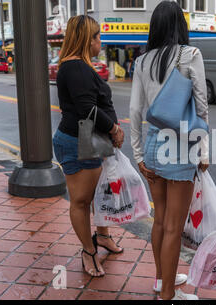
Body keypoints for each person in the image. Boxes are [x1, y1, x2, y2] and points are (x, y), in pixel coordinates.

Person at [129, 1, 209, 300]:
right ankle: (168, 298)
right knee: (175, 226)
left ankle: (162, 279)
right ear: (180, 25)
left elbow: (135, 110)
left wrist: (138, 154)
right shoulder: (191, 55)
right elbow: (201, 104)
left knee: (160, 220)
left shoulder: (142, 60)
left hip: (152, 146)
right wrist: (203, 150)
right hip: (180, 148)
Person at [53, 15, 125, 277]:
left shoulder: (80, 67)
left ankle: (103, 236)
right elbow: (87, 109)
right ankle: (88, 250)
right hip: (77, 141)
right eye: (97, 37)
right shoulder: (75, 68)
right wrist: (114, 128)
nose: (100, 42)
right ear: (87, 39)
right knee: (82, 201)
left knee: (100, 194)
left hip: (90, 140)